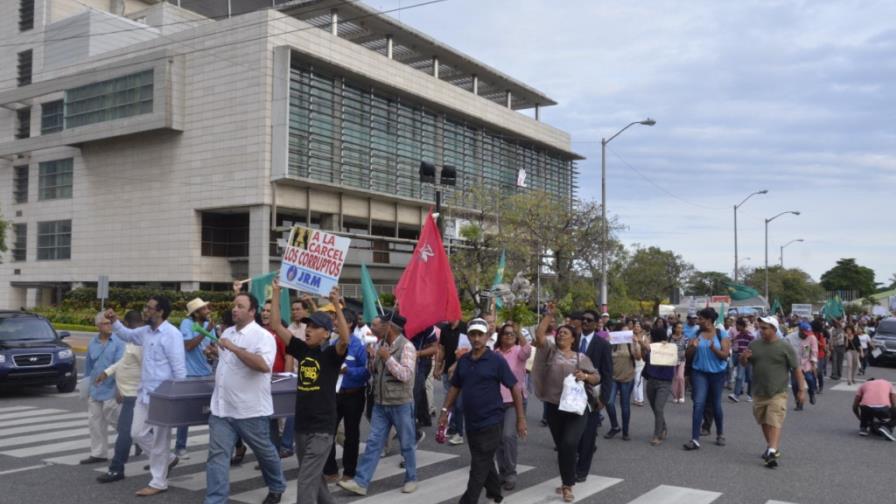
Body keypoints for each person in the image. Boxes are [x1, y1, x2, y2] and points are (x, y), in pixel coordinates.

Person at [270, 281, 351, 504]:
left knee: (306, 480)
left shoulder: (331, 355)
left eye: (314, 327)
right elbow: (276, 325)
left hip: (322, 429)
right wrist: (276, 292)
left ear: (326, 334)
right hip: (302, 426)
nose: (308, 329)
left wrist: (336, 304)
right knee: (314, 478)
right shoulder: (301, 349)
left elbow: (345, 339)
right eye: (308, 325)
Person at [203, 291, 286, 504]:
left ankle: (276, 486)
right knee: (217, 457)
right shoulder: (227, 332)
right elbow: (228, 362)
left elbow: (263, 365)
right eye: (234, 305)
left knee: (264, 452)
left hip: (250, 410)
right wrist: (214, 353)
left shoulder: (263, 336)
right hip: (222, 409)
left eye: (240, 306)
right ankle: (215, 500)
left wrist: (235, 349)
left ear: (252, 311)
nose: (235, 309)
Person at [439, 318, 526, 504]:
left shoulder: (496, 360)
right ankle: (495, 494)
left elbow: (514, 387)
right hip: (471, 421)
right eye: (473, 334)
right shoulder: (464, 361)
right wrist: (445, 411)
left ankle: (468, 501)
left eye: (480, 334)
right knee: (484, 460)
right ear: (468, 336)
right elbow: (455, 387)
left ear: (487, 336)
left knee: (478, 465)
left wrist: (520, 418)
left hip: (492, 421)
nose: (476, 338)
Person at [105, 296, 186, 497]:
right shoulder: (145, 332)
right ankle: (168, 459)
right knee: (136, 433)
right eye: (146, 307)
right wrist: (114, 320)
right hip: (144, 394)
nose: (146, 311)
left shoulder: (172, 334)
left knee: (160, 441)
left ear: (160, 312)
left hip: (163, 396)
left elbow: (179, 370)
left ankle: (158, 482)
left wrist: (178, 398)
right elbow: (127, 334)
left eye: (149, 308)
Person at [339, 311, 418, 496]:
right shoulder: (380, 344)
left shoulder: (407, 346)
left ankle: (411, 478)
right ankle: (361, 482)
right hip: (381, 403)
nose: (373, 328)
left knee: (406, 443)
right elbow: (374, 372)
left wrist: (387, 358)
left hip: (401, 403)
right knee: (373, 443)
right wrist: (372, 358)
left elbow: (405, 375)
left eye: (379, 325)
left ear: (389, 327)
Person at [532, 303, 599, 503]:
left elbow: (597, 377)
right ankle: (566, 480)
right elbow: (539, 335)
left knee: (569, 443)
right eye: (559, 332)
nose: (561, 334)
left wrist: (585, 376)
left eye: (565, 333)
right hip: (554, 407)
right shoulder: (550, 351)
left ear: (573, 339)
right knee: (563, 447)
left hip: (577, 409)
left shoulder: (581, 357)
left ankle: (568, 486)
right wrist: (548, 315)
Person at [740, 316, 806, 468]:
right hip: (759, 391)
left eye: (764, 328)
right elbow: (744, 364)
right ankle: (772, 447)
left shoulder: (785, 347)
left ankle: (771, 451)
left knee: (774, 420)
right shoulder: (754, 345)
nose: (761, 331)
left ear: (774, 329)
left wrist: (801, 391)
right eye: (760, 328)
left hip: (778, 391)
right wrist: (743, 358)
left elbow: (796, 369)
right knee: (763, 421)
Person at [322, 308, 370, 484]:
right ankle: (330, 470)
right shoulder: (331, 343)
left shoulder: (359, 345)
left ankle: (350, 471)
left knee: (351, 434)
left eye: (337, 319)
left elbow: (366, 372)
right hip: (334, 395)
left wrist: (347, 370)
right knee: (328, 432)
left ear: (348, 323)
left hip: (353, 395)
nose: (334, 322)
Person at [96, 310, 145, 483]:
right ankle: (162, 460)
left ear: (127, 324)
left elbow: (147, 369)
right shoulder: (134, 341)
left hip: (134, 394)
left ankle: (116, 469)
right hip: (131, 393)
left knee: (125, 432)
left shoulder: (140, 342)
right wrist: (107, 372)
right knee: (141, 432)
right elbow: (124, 362)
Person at [683, 307, 731, 451]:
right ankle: (694, 439)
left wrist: (714, 349)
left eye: (701, 319)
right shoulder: (696, 333)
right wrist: (692, 347)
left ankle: (720, 434)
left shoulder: (721, 334)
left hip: (717, 374)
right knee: (698, 404)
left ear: (709, 320)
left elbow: (725, 355)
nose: (698, 321)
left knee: (716, 404)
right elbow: (688, 355)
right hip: (699, 373)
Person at [81, 312, 125, 465]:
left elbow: (120, 367)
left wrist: (120, 389)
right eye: (105, 323)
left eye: (110, 323)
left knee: (115, 419)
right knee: (95, 422)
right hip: (95, 388)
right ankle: (98, 453)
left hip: (112, 388)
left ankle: (134, 437)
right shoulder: (93, 343)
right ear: (98, 326)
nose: (109, 326)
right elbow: (88, 367)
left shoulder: (118, 342)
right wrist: (86, 387)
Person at [574, 309, 612, 483]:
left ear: (596, 324)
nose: (585, 322)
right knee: (573, 433)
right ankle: (574, 457)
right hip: (571, 394)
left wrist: (604, 398)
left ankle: (582, 470)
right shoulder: (573, 340)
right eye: (583, 319)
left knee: (588, 434)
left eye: (589, 320)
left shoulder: (602, 345)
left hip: (592, 395)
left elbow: (607, 373)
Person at [493, 322, 532, 490]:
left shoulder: (518, 351)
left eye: (512, 334)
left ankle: (510, 473)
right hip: (495, 401)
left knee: (508, 436)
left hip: (514, 402)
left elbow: (528, 350)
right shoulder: (494, 353)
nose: (509, 336)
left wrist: (518, 332)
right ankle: (502, 472)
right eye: (505, 333)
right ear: (500, 336)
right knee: (498, 439)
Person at [175, 298, 215, 458]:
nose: (208, 311)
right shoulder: (186, 323)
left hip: (207, 373)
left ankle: (215, 446)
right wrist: (205, 331)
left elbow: (211, 346)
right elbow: (188, 346)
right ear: (196, 313)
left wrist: (211, 352)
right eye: (204, 309)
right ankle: (180, 447)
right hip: (189, 374)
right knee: (184, 413)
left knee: (213, 412)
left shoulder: (209, 325)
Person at [604, 322, 641, 441]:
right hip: (613, 377)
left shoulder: (631, 343)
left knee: (625, 405)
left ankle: (626, 431)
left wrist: (636, 343)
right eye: (623, 331)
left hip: (627, 377)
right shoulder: (612, 343)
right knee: (609, 402)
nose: (626, 334)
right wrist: (606, 342)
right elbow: (604, 357)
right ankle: (615, 426)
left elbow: (638, 357)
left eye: (627, 331)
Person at [433, 320, 468, 445]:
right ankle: (452, 427)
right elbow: (442, 349)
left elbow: (467, 350)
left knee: (458, 403)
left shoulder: (465, 327)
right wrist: (438, 366)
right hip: (447, 370)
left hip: (461, 369)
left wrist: (455, 365)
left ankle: (459, 432)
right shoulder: (445, 329)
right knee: (449, 401)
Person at [642, 327, 675, 446]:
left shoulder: (669, 348)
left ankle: (657, 435)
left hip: (664, 382)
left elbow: (675, 358)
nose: (649, 337)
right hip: (651, 381)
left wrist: (644, 344)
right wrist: (643, 347)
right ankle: (663, 427)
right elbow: (645, 358)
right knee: (655, 408)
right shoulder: (652, 347)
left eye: (651, 335)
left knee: (658, 408)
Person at [785, 322, 818, 410]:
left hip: (806, 363)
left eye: (808, 333)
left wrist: (813, 364)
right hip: (794, 364)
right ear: (800, 330)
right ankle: (798, 403)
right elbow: (785, 351)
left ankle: (811, 393)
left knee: (810, 379)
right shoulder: (789, 338)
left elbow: (814, 351)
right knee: (795, 384)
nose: (807, 335)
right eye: (805, 333)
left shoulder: (812, 337)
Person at [728, 318, 755, 403]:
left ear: (742, 326)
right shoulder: (738, 335)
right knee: (739, 376)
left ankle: (750, 395)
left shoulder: (750, 335)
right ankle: (736, 395)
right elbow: (734, 343)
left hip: (749, 359)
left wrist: (748, 354)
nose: (736, 327)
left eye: (737, 325)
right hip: (741, 358)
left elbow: (753, 347)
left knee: (750, 378)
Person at [670, 322, 687, 403]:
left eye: (681, 328)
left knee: (680, 377)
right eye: (678, 327)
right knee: (674, 378)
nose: (680, 329)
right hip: (672, 360)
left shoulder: (685, 338)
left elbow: (687, 349)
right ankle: (675, 396)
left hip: (682, 360)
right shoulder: (670, 337)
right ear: (674, 328)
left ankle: (682, 395)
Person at [631, 320, 647, 407]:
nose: (636, 328)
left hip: (641, 362)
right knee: (635, 380)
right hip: (631, 362)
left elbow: (648, 348)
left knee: (638, 380)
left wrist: (640, 342)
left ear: (641, 328)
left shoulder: (644, 337)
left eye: (638, 326)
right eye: (635, 326)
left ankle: (640, 399)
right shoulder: (629, 337)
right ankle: (636, 398)